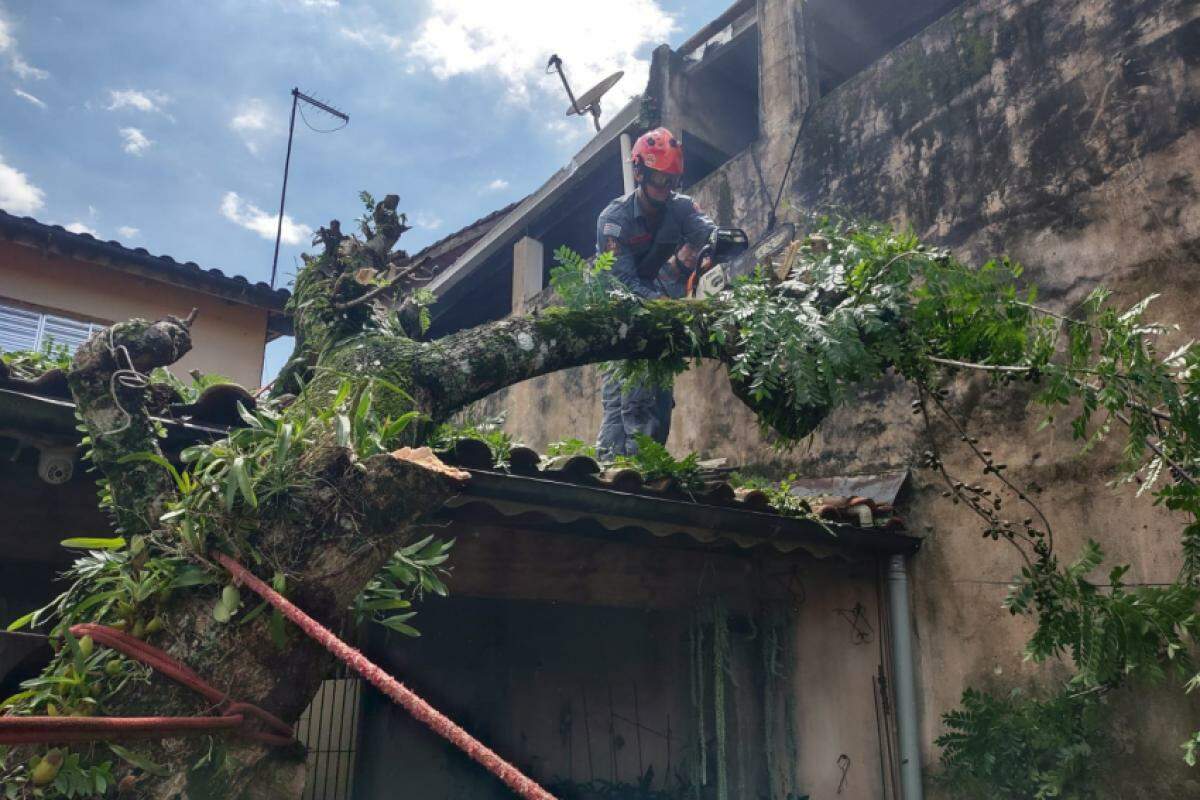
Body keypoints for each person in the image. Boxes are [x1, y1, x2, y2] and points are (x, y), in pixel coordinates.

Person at [594, 127, 716, 458]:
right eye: (659, 180)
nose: (665, 189)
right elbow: (623, 283)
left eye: (671, 181)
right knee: (630, 399)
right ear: (639, 172)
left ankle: (644, 465)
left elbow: (708, 233)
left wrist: (712, 252)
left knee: (659, 400)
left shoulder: (682, 208)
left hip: (660, 307)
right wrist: (662, 305)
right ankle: (620, 471)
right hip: (621, 310)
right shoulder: (614, 221)